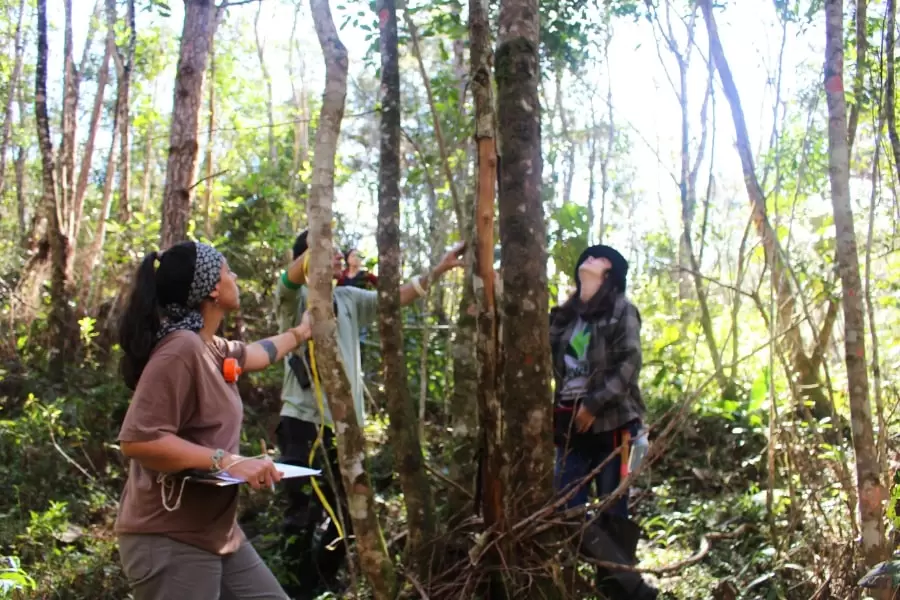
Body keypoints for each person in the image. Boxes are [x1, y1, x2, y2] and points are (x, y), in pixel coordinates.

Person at [114, 240, 313, 600]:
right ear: (212, 289)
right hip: (169, 538)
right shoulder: (181, 348)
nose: (235, 276)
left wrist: (301, 332)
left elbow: (258, 353)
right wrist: (229, 461)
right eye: (227, 270)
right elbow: (139, 440)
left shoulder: (210, 346)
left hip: (217, 535)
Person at [274, 230, 464, 597]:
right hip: (302, 424)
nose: (340, 258)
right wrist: (316, 250)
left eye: (337, 252)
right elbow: (287, 281)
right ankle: (293, 589)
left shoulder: (348, 298)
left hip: (344, 428)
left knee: (351, 512)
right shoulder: (295, 301)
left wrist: (438, 270)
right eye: (328, 253)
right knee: (302, 514)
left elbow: (397, 299)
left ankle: (323, 580)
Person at [549, 244, 657, 600]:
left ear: (610, 275)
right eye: (587, 256)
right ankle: (619, 583)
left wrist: (594, 405)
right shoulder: (564, 316)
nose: (588, 259)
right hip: (569, 426)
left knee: (613, 511)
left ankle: (621, 590)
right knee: (566, 506)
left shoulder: (622, 310)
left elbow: (629, 364)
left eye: (598, 258)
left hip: (613, 425)